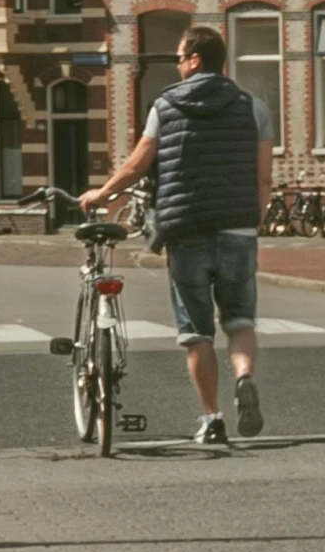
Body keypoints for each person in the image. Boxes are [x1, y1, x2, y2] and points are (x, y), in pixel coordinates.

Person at [81, 24, 271, 447]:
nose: (178, 65)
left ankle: (212, 417)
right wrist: (251, 222)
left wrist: (102, 193)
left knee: (196, 331)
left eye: (179, 58)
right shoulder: (253, 107)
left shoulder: (165, 106)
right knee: (239, 320)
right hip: (238, 230)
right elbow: (263, 180)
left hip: (186, 232)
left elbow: (137, 165)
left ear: (195, 60)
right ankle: (244, 378)